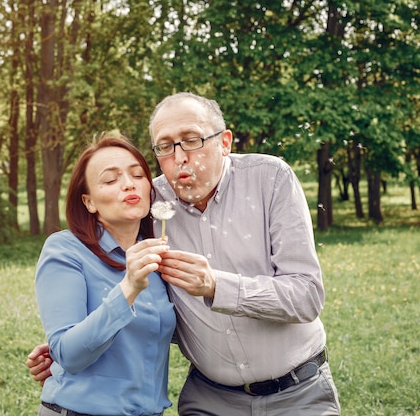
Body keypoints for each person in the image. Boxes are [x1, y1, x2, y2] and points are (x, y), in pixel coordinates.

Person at [28, 93, 341, 416]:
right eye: (165, 147)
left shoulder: (269, 179)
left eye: (191, 140)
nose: (179, 157)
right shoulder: (151, 204)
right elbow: (124, 308)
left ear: (225, 142)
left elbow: (306, 296)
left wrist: (216, 286)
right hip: (209, 400)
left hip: (297, 392)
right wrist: (65, 346)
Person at [33, 133, 176, 416]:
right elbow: (69, 355)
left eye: (138, 175)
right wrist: (129, 288)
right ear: (89, 202)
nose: (128, 183)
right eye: (110, 180)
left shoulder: (158, 255)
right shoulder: (65, 250)